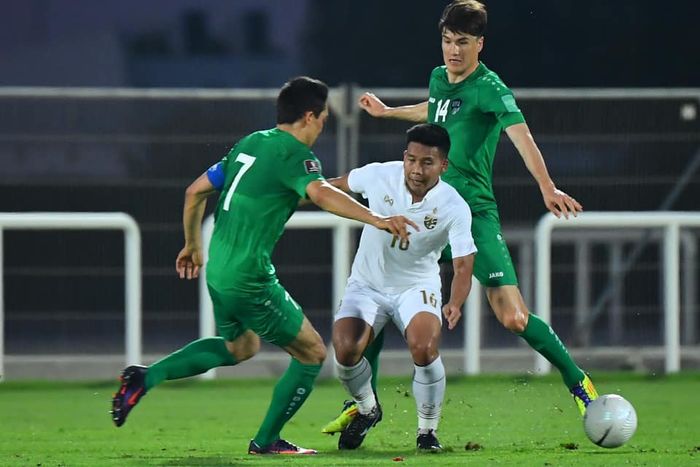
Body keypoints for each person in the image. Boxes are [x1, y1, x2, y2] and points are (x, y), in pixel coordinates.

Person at [322, 0, 598, 435]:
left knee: (512, 317)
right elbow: (436, 110)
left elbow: (521, 136)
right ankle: (363, 406)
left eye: (462, 43)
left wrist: (547, 186)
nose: (453, 51)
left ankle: (577, 381)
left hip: (470, 212)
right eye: (448, 41)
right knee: (376, 294)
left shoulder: (490, 87)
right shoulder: (438, 77)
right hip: (424, 208)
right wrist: (389, 112)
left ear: (480, 45)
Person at [110, 76, 418, 455]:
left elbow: (195, 192)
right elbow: (319, 193)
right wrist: (379, 219)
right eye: (324, 118)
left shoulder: (251, 143)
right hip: (249, 277)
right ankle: (267, 441)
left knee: (239, 346)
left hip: (219, 267)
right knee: (312, 354)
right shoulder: (296, 155)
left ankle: (145, 376)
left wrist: (192, 244)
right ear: (309, 116)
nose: (324, 126)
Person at [329, 123, 477, 451]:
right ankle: (367, 409)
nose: (416, 169)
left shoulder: (453, 206)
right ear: (404, 157)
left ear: (443, 165)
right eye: (411, 160)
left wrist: (455, 301)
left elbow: (464, 263)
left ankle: (427, 432)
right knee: (344, 348)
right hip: (366, 284)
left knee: (424, 347)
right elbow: (331, 188)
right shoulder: (379, 175)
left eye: (427, 162)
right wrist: (291, 194)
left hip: (416, 286)